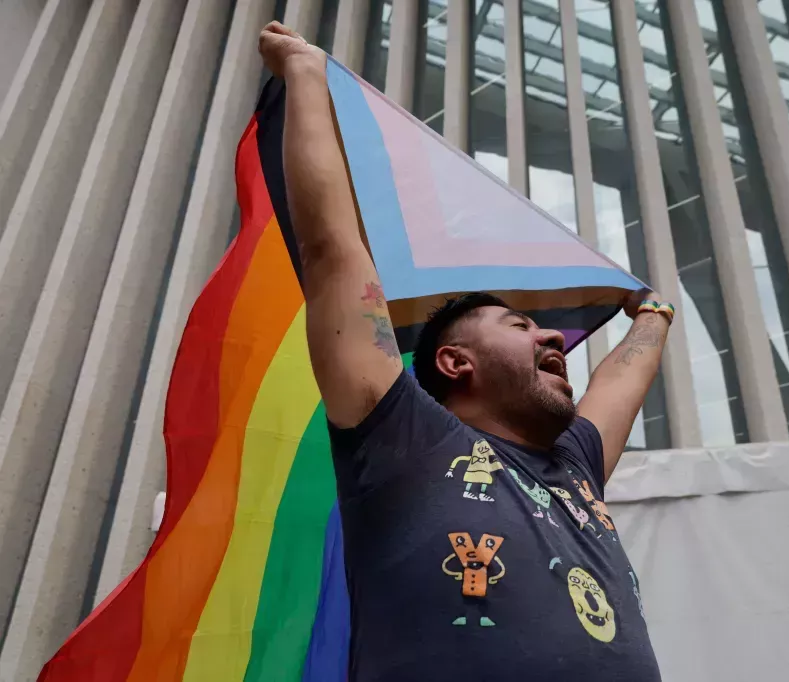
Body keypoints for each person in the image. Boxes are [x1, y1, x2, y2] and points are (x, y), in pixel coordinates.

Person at [259, 21, 673, 681]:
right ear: (456, 363)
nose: (553, 338)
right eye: (518, 326)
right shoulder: (400, 435)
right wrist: (306, 72)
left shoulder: (574, 464)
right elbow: (333, 249)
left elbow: (629, 374)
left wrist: (653, 313)